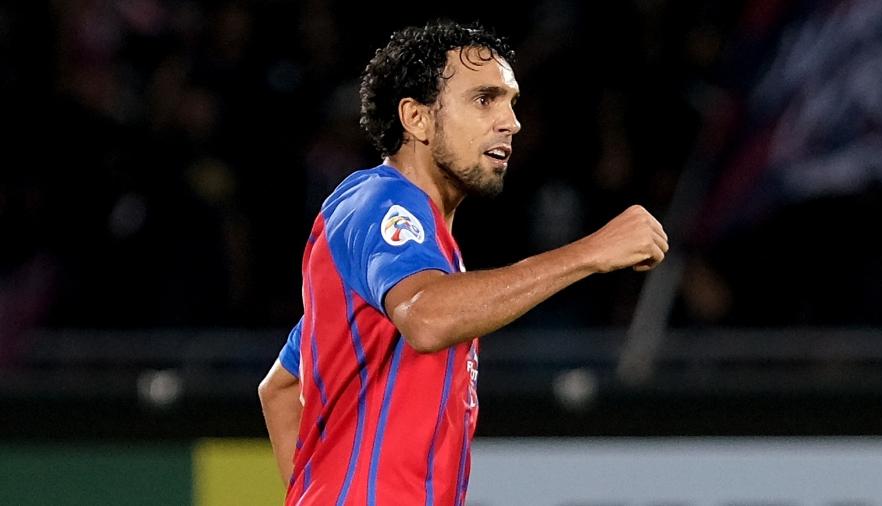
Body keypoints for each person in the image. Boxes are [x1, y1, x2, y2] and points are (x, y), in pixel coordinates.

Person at [257, 19, 668, 505]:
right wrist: (591, 252)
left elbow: (282, 388)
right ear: (417, 118)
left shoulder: (417, 251)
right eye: (483, 99)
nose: (510, 121)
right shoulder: (382, 202)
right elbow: (428, 318)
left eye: (511, 102)